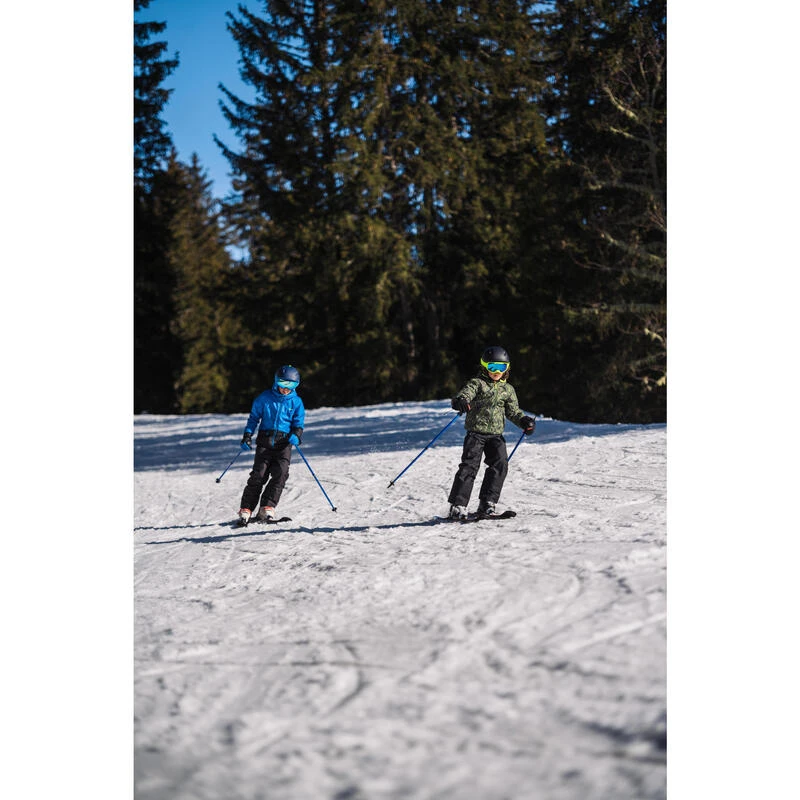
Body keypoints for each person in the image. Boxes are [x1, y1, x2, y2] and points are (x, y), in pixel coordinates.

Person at [447, 346, 536, 520]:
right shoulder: (477, 383)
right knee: (469, 467)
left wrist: (524, 421)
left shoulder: (508, 390)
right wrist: (461, 401)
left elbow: (513, 412)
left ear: (507, 369)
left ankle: (487, 503)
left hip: (495, 436)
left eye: (501, 368)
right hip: (475, 434)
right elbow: (466, 393)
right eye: (492, 367)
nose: (496, 372)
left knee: (500, 465)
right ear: (484, 367)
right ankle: (458, 505)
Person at [237, 365, 305, 526]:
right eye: (282, 384)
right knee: (259, 475)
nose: (285, 389)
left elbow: (298, 422)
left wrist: (296, 435)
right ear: (276, 382)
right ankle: (246, 508)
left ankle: (267, 506)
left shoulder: (296, 402)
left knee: (281, 474)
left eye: (291, 386)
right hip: (265, 442)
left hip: (284, 443)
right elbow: (254, 418)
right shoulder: (264, 398)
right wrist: (247, 435)